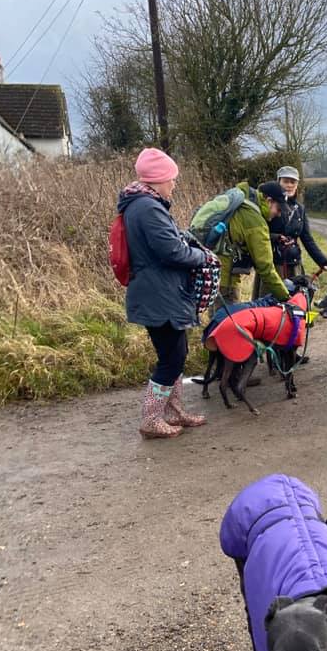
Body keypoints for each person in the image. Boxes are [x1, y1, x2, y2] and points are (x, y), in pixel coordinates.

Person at [118, 148, 210, 440]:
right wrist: (201, 256)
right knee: (172, 358)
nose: (174, 184)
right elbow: (172, 251)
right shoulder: (148, 208)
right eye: (172, 178)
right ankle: (151, 418)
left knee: (176, 354)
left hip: (159, 292)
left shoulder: (142, 205)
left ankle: (174, 412)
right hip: (159, 294)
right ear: (158, 179)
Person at [214, 180, 290, 303]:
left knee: (218, 318)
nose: (279, 214)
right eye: (279, 209)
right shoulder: (256, 222)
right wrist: (286, 297)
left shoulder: (245, 204)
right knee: (228, 319)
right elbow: (265, 268)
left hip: (214, 270)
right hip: (225, 280)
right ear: (269, 201)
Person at [269, 165, 327, 280]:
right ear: (279, 182)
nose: (289, 185)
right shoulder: (270, 205)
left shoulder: (300, 209)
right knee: (270, 297)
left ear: (297, 184)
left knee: (294, 297)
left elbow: (307, 238)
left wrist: (323, 261)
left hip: (294, 264)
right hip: (273, 265)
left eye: (293, 182)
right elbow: (260, 233)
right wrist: (277, 237)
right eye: (286, 181)